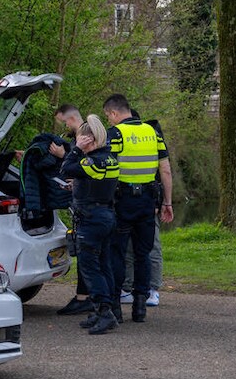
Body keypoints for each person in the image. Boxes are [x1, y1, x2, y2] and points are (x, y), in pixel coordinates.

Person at [104, 94, 173, 324]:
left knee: (119, 253)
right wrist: (167, 203)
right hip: (147, 202)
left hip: (121, 202)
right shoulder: (153, 133)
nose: (109, 120)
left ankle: (115, 306)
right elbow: (165, 171)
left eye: (108, 116)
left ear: (114, 113)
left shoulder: (114, 134)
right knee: (143, 254)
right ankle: (140, 305)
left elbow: (106, 170)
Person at [59, 114, 120, 334]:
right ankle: (102, 309)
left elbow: (65, 169)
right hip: (106, 216)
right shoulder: (110, 158)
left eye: (81, 140)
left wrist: (75, 149)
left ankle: (105, 312)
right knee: (104, 265)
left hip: (92, 220)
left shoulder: (90, 160)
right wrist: (77, 186)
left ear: (89, 140)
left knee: (90, 268)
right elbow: (97, 182)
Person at [51, 104, 96, 316]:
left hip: (88, 203)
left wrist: (63, 155)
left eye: (63, 122)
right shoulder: (85, 133)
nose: (63, 127)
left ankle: (85, 298)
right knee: (86, 251)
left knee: (87, 251)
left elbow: (85, 164)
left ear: (70, 119)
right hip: (83, 199)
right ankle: (86, 295)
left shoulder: (86, 135)